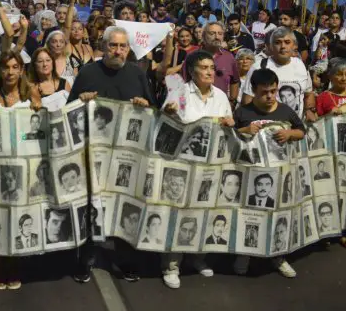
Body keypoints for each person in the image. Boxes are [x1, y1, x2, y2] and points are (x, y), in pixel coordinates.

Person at [68, 25, 154, 284]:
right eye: (113, 46)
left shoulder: (137, 75)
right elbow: (69, 111)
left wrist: (144, 105)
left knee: (124, 208)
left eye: (123, 46)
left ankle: (126, 261)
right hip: (93, 156)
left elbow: (151, 108)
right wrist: (80, 100)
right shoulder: (88, 72)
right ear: (103, 47)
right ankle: (86, 260)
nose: (118, 51)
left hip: (127, 157)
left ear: (129, 48)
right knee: (91, 208)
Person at [233, 68, 306, 278]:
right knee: (248, 215)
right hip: (251, 175)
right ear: (254, 91)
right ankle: (244, 254)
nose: (270, 96)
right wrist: (243, 131)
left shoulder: (286, 111)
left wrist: (291, 133)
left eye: (273, 91)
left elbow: (302, 131)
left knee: (278, 216)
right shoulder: (242, 112)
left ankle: (278, 257)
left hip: (281, 175)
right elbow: (228, 137)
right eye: (264, 92)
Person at [241, 27, 315, 121]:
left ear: (294, 46)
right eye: (278, 42)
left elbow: (308, 94)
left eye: (287, 42)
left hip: (295, 128)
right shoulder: (259, 67)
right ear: (271, 46)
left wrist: (309, 110)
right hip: (267, 127)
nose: (283, 46)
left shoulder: (301, 65)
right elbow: (247, 100)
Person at [162, 49, 234, 125]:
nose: (210, 73)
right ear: (191, 71)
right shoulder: (178, 93)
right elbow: (165, 120)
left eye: (212, 68)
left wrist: (228, 123)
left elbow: (228, 126)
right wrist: (168, 112)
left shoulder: (221, 96)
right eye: (204, 68)